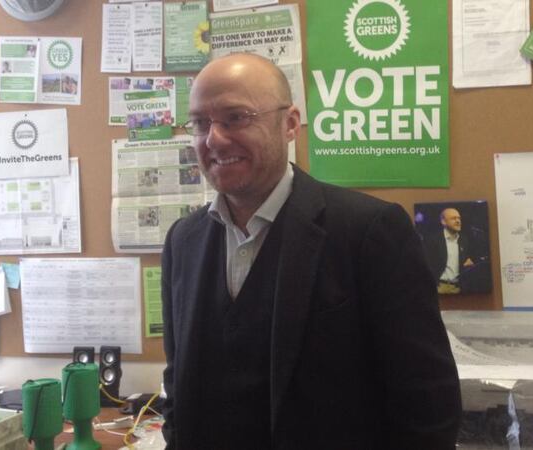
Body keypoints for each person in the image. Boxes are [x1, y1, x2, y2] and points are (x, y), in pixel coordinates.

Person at [160, 53, 461, 450]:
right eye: (200, 123)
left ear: (289, 124)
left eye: (235, 117)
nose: (214, 138)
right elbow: (178, 384)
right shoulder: (184, 240)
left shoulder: (370, 232)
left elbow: (428, 406)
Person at [422, 208, 475, 295]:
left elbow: (466, 261)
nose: (458, 221)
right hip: (440, 287)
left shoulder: (464, 240)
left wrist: (468, 263)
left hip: (459, 288)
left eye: (459, 218)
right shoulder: (433, 240)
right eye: (453, 218)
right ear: (443, 222)